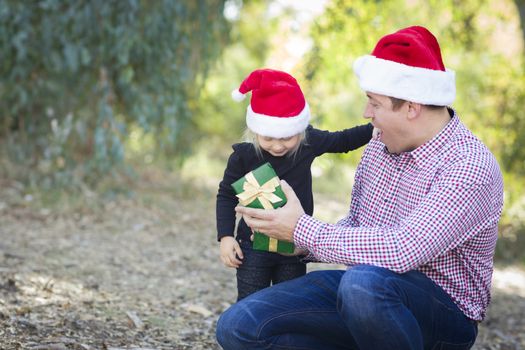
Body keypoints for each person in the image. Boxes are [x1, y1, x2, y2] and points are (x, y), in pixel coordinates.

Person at [216, 26, 504, 350]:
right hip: (362, 299)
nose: (367, 114)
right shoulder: (381, 144)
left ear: (411, 107)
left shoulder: (468, 166)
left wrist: (302, 230)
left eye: (374, 104)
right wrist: (293, 241)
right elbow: (358, 227)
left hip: (440, 315)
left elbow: (402, 249)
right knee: (238, 326)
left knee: (362, 284)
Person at [216, 68, 373, 301]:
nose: (278, 146)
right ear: (255, 130)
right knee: (251, 300)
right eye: (268, 138)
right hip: (252, 245)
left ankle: (283, 337)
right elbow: (226, 196)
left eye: (287, 137)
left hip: (294, 244)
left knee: (287, 301)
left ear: (299, 130)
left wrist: (378, 128)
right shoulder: (244, 156)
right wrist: (226, 236)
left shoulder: (308, 143)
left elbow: (344, 140)